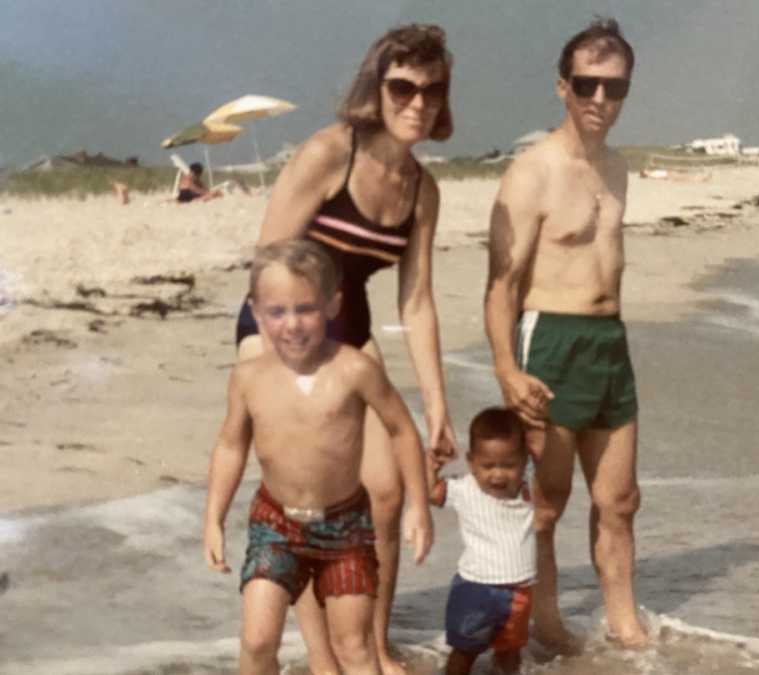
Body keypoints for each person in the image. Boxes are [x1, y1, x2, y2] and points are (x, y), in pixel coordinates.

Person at [233, 23, 458, 674]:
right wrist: (287, 370)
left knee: (385, 491)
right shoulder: (332, 151)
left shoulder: (423, 191)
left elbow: (415, 301)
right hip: (279, 319)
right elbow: (269, 260)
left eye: (432, 90)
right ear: (377, 87)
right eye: (403, 87)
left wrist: (437, 406)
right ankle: (323, 654)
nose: (418, 102)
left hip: (348, 322)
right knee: (310, 486)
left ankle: (374, 643)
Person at [483, 17, 648, 651]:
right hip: (548, 340)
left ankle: (624, 625)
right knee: (545, 504)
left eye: (615, 88)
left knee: (621, 499)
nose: (601, 101)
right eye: (588, 85)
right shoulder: (532, 172)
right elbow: (501, 284)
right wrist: (507, 368)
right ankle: (545, 624)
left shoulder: (619, 170)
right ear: (562, 87)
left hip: (610, 343)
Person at [203, 239, 433, 675]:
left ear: (332, 305)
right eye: (277, 312)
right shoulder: (248, 377)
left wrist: (418, 507)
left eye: (305, 309)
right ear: (255, 311)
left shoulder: (353, 370)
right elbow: (231, 444)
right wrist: (212, 518)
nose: (292, 325)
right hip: (275, 524)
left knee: (354, 650)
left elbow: (402, 429)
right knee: (256, 641)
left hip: (345, 529)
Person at [426, 407, 534, 675]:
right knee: (463, 654)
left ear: (524, 461)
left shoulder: (528, 491)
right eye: (487, 466)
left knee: (510, 654)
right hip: (476, 590)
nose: (497, 475)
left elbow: (548, 464)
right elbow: (429, 492)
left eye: (508, 465)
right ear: (472, 462)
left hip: (519, 591)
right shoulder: (465, 488)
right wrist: (433, 465)